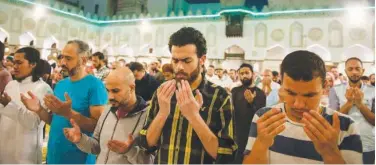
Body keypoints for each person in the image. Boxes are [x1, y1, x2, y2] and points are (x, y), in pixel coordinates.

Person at [243, 51, 362, 164]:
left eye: (309, 95)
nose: (298, 104)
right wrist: (261, 144)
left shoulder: (345, 126)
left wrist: (330, 153)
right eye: (291, 93)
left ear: (325, 86)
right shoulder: (265, 118)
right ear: (281, 84)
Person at [139, 27, 237, 164]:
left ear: (202, 60)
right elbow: (146, 144)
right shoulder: (163, 92)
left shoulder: (220, 97)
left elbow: (226, 156)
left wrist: (193, 117)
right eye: (175, 60)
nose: (179, 67)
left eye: (186, 61)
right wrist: (162, 113)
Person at [21, 40, 108, 164]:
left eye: (68, 58)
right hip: (54, 153)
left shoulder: (95, 85)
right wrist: (39, 110)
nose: (62, 62)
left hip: (78, 157)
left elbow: (97, 126)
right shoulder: (61, 84)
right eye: (62, 57)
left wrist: (68, 113)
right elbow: (55, 120)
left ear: (83, 60)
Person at [64, 67, 154, 164]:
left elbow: (151, 161)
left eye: (115, 91)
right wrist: (80, 139)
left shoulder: (148, 117)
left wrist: (129, 151)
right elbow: (96, 147)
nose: (110, 96)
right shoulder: (107, 110)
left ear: (131, 88)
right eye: (108, 90)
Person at [0, 47, 53, 163]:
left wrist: (8, 105)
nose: (15, 66)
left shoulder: (43, 89)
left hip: (26, 153)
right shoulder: (11, 85)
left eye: (19, 63)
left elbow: (32, 123)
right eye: (14, 63)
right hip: (4, 148)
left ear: (33, 64)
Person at [329, 57, 375, 164]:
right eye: (350, 69)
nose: (354, 72)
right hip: (343, 142)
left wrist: (360, 104)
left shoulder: (373, 91)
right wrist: (349, 103)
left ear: (363, 71)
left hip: (367, 143)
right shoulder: (335, 90)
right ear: (345, 71)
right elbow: (332, 119)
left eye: (357, 68)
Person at [231, 63, 266, 164]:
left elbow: (260, 115)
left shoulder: (260, 93)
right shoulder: (235, 91)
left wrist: (251, 102)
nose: (244, 76)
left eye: (247, 73)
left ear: (253, 74)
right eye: (241, 73)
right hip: (236, 132)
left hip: (252, 133)